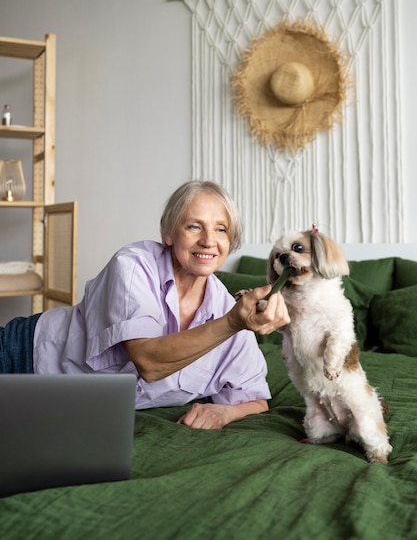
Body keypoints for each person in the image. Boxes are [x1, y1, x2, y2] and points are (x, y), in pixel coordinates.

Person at [0, 180, 290, 429]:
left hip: (76, 408)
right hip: (24, 357)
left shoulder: (228, 307)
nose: (208, 241)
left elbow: (256, 399)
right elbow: (148, 363)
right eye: (194, 226)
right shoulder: (133, 265)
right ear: (169, 232)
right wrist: (231, 323)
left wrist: (223, 412)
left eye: (221, 230)